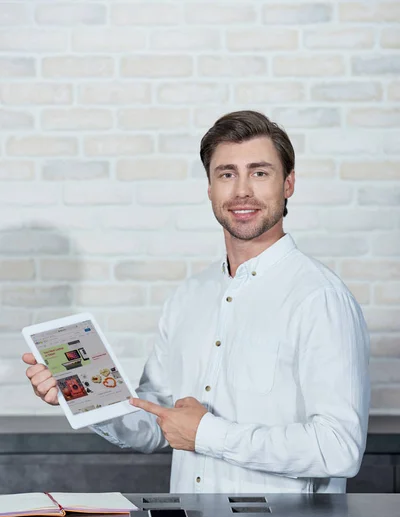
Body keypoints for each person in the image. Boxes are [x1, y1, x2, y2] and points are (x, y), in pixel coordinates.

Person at [23, 110, 370, 494]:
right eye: (226, 174)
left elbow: (340, 449)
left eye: (259, 172)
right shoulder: (188, 296)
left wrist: (206, 434)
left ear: (288, 184)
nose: (241, 191)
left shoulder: (320, 298)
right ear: (209, 188)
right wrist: (83, 397)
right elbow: (158, 425)